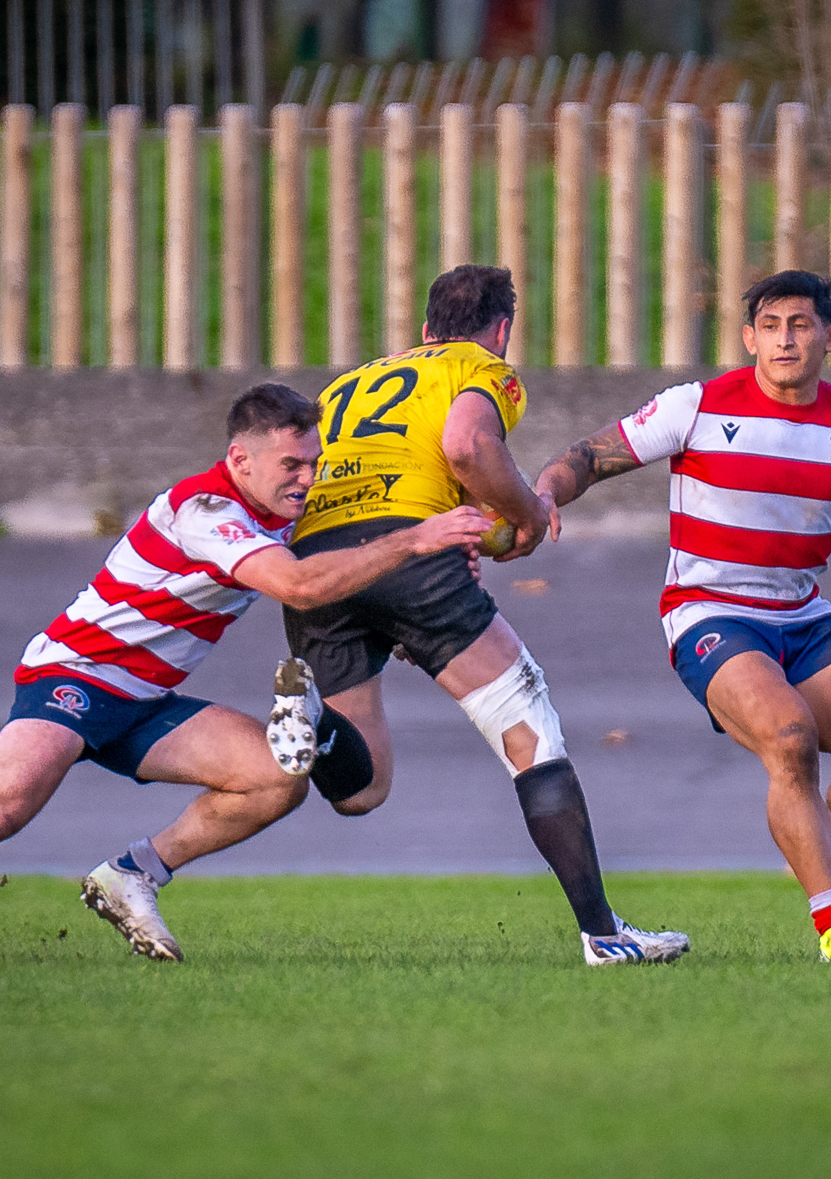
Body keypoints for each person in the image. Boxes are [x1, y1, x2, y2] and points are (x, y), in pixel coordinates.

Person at [0, 384, 488, 970]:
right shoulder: (207, 512)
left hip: (145, 699)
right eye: (290, 464)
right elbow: (302, 588)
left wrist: (399, 613)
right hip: (76, 675)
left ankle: (131, 875)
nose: (306, 478)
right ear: (239, 459)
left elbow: (342, 573)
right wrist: (417, 540)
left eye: (312, 462)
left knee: (278, 778)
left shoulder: (282, 509)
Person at [535, 270, 831, 965]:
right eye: (770, 326)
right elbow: (588, 456)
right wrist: (546, 493)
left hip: (802, 616)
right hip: (708, 613)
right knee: (789, 737)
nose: (785, 339)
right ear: (749, 339)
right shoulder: (698, 406)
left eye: (799, 325)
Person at [280, 263, 689, 967]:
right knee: (529, 725)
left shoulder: (347, 383)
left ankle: (310, 719)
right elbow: (467, 446)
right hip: (410, 550)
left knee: (363, 786)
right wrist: (527, 516)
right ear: (502, 329)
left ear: (423, 329)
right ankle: (603, 935)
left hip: (316, 559)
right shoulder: (481, 366)